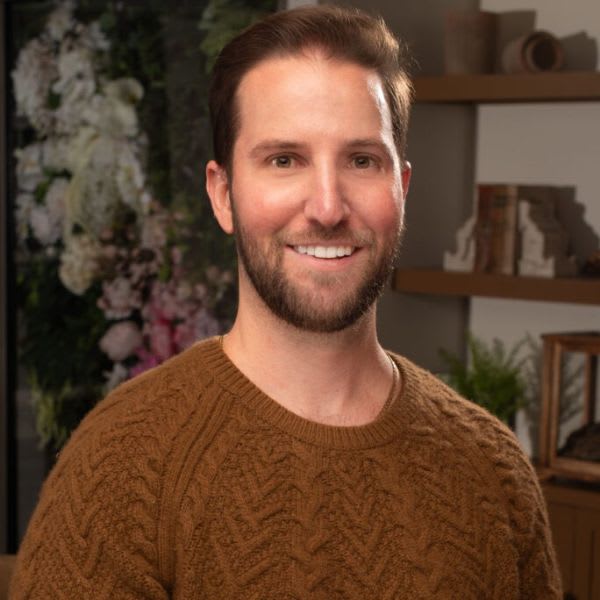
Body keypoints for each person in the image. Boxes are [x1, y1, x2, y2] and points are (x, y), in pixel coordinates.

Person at [11, 5, 562, 599]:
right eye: (284, 160)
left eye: (361, 161)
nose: (327, 207)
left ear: (400, 190)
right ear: (223, 195)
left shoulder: (492, 468)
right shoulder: (121, 466)